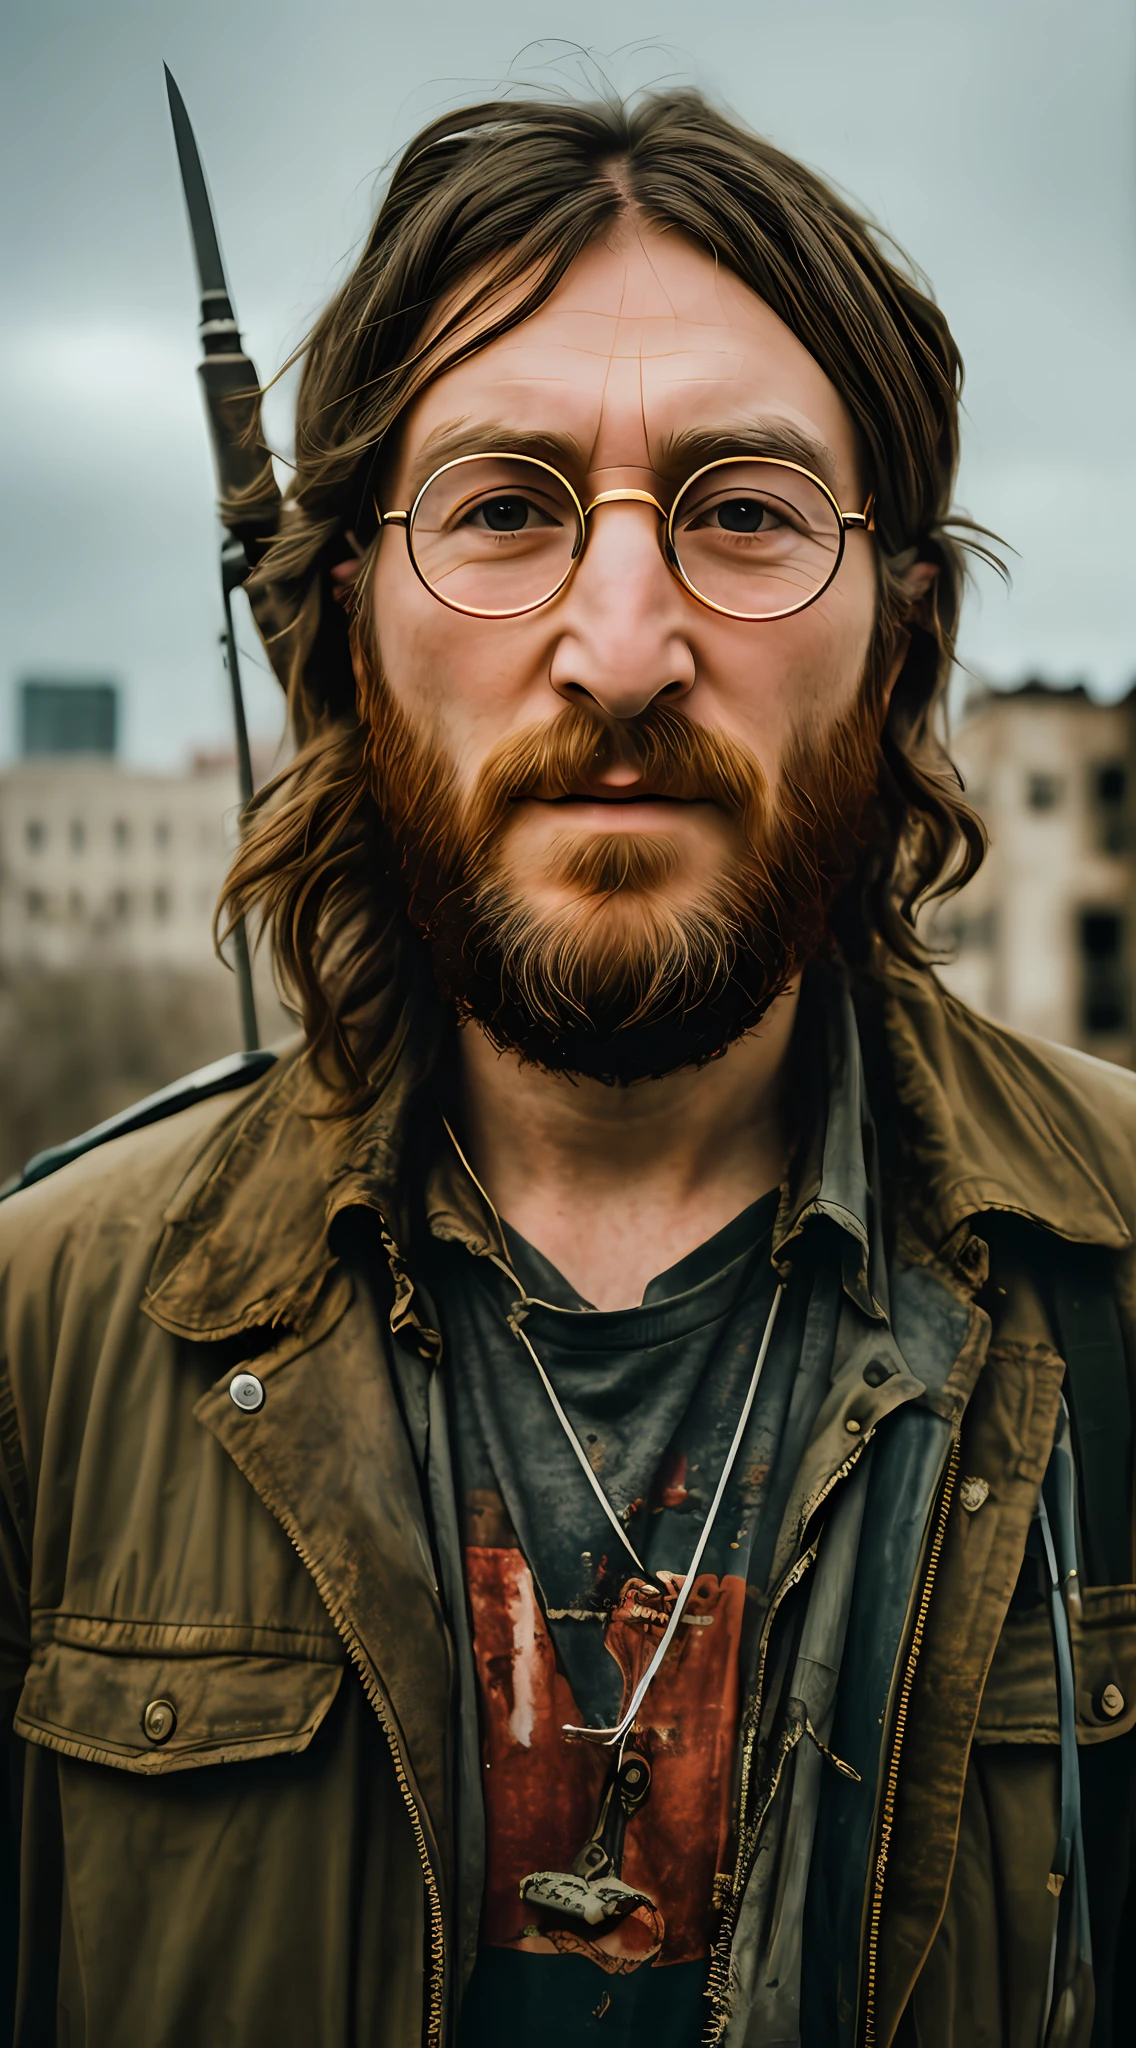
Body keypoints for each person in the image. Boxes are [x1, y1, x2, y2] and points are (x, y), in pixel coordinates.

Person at [0, 90, 1132, 2048]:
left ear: (903, 635)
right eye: (504, 508)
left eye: (746, 512)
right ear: (348, 621)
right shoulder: (44, 1343)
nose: (622, 645)